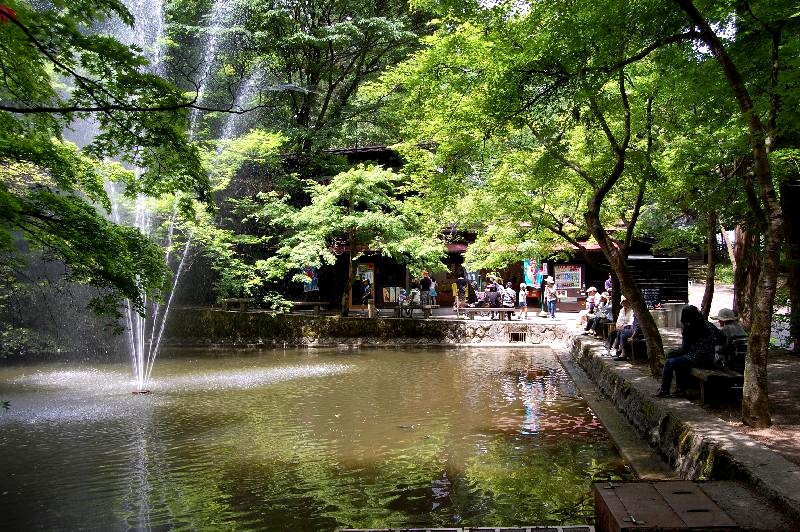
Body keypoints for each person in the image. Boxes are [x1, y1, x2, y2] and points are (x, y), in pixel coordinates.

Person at [653, 305, 717, 398]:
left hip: (697, 359)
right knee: (676, 359)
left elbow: (684, 350)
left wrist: (673, 353)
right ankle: (680, 388)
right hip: (709, 358)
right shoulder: (709, 324)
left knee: (669, 362)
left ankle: (664, 390)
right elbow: (722, 338)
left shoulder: (689, 328)